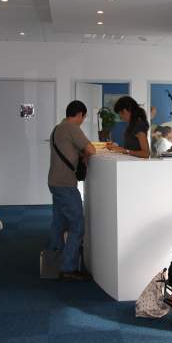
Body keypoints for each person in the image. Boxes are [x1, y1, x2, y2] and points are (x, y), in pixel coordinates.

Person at [48, 100, 96, 282]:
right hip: (66, 184)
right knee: (77, 225)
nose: (83, 120)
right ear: (80, 114)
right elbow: (91, 149)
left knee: (58, 223)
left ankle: (53, 261)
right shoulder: (72, 128)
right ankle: (68, 267)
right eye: (84, 117)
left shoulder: (57, 128)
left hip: (54, 181)